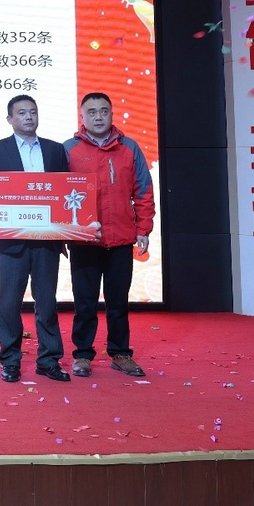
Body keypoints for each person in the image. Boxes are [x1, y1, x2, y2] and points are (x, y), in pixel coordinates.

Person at [0, 95, 71, 383]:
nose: (29, 117)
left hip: (47, 239)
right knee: (9, 303)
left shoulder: (55, 150)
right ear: (10, 119)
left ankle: (49, 360)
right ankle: (10, 360)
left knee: (47, 302)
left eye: (33, 112)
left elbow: (66, 191)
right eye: (21, 113)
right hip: (12, 241)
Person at [63, 92, 155, 378]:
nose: (98, 117)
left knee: (118, 302)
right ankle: (82, 355)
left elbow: (143, 190)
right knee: (85, 303)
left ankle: (120, 353)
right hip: (84, 240)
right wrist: (59, 234)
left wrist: (143, 228)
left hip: (121, 238)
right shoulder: (69, 150)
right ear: (82, 117)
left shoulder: (129, 147)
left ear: (112, 115)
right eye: (92, 112)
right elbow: (57, 194)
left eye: (104, 111)